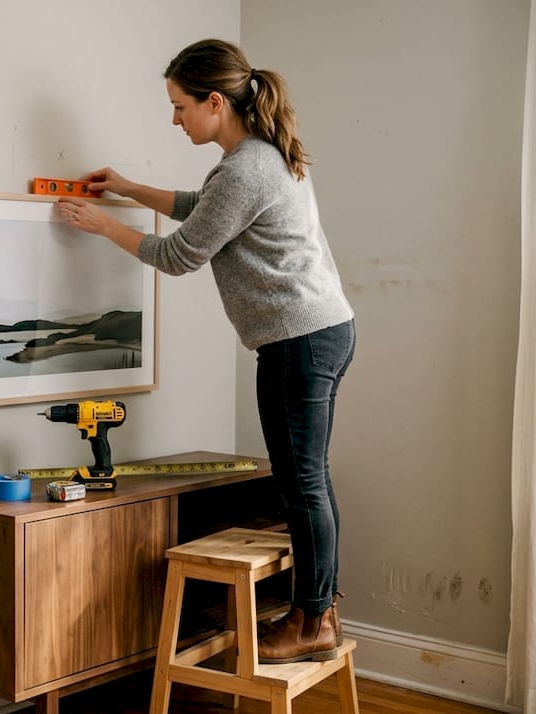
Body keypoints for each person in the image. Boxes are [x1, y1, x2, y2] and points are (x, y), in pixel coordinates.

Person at [56, 38, 355, 664]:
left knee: (301, 482)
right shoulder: (258, 160)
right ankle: (317, 609)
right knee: (305, 480)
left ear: (214, 102)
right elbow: (204, 211)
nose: (174, 119)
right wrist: (132, 190)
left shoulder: (245, 168)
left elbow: (181, 253)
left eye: (179, 105)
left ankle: (312, 621)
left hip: (300, 339)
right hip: (310, 333)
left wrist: (102, 224)